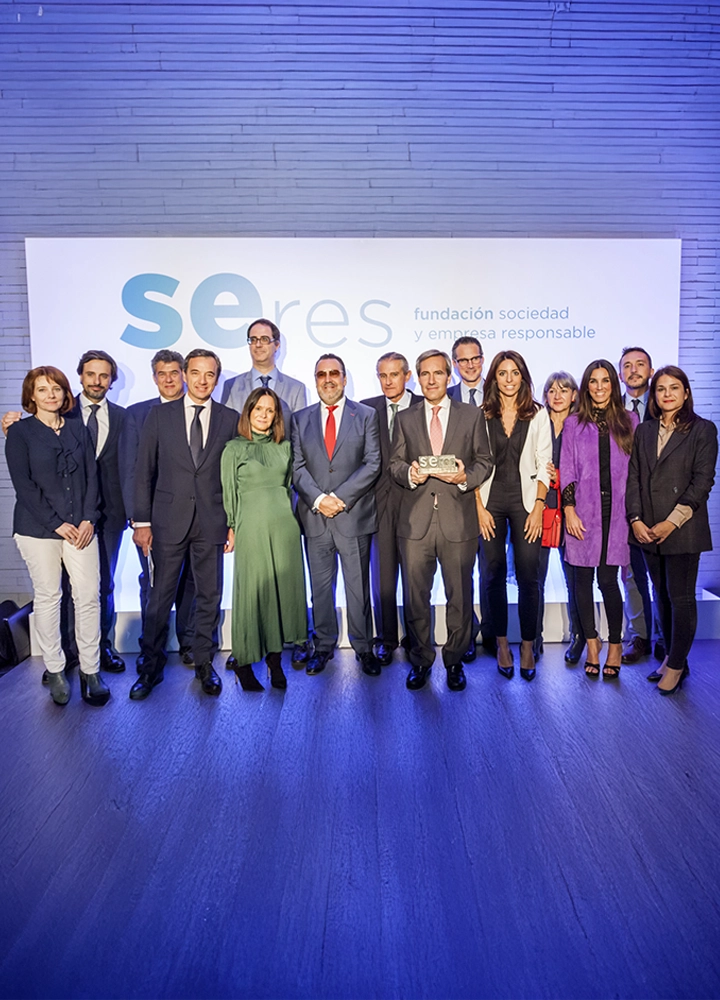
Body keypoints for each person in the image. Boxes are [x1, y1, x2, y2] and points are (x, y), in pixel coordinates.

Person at [2, 350, 128, 680]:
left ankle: (92, 665)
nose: (51, 394)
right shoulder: (23, 430)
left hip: (88, 521)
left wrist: (88, 518)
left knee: (92, 593)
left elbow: (92, 476)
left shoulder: (87, 426)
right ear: (31, 395)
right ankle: (57, 665)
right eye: (42, 389)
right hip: (40, 527)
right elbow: (25, 486)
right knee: (50, 596)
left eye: (56, 388)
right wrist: (57, 524)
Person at [129, 349, 239, 700]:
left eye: (209, 374)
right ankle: (150, 667)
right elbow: (143, 472)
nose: (202, 380)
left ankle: (205, 665)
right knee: (159, 598)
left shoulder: (230, 418)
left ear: (217, 378)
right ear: (185, 375)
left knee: (209, 596)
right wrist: (142, 522)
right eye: (195, 373)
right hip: (166, 523)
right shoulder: (160, 416)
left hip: (212, 522)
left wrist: (233, 522)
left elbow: (234, 477)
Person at [389, 349, 492, 691]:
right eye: (425, 374)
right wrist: (410, 474)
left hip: (458, 519)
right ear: (417, 378)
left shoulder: (471, 415)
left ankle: (454, 660)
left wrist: (465, 478)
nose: (431, 380)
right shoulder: (405, 418)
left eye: (438, 373)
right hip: (415, 521)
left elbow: (484, 461)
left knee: (459, 596)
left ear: (450, 376)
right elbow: (394, 464)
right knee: (415, 597)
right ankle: (420, 660)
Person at [626, 366, 717, 695]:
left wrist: (671, 522)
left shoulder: (702, 430)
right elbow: (634, 477)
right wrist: (636, 519)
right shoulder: (645, 430)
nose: (667, 394)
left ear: (686, 392)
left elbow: (702, 482)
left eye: (674, 387)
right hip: (648, 528)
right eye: (661, 388)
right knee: (660, 595)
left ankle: (677, 665)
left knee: (681, 598)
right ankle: (670, 658)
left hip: (682, 527)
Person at [291, 354, 382, 677]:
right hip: (315, 517)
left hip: (352, 516)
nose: (328, 379)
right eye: (321, 374)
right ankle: (323, 645)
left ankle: (364, 648)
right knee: (320, 588)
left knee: (358, 589)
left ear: (344, 379)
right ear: (315, 380)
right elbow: (296, 467)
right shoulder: (299, 419)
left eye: (334, 373)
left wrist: (339, 499)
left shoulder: (366, 415)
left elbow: (372, 462)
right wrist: (319, 500)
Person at [221, 388, 308, 691]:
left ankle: (275, 661)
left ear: (276, 416)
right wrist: (232, 526)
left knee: (281, 593)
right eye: (258, 408)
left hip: (284, 528)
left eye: (270, 410)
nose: (263, 414)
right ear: (248, 411)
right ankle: (244, 663)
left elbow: (289, 486)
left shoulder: (285, 448)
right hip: (251, 527)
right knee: (252, 593)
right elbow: (229, 492)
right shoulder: (234, 449)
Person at [476, 350, 552, 681]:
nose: (509, 379)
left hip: (526, 503)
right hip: (489, 501)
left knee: (528, 575)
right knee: (493, 573)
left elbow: (545, 463)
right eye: (502, 373)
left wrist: (538, 507)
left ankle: (528, 646)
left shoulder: (538, 414)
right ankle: (502, 644)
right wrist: (478, 508)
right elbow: (474, 464)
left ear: (523, 377)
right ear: (494, 378)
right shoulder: (481, 414)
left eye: (515, 372)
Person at [560, 360, 638, 678]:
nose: (600, 387)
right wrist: (569, 509)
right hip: (583, 511)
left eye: (605, 380)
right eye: (593, 381)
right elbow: (567, 468)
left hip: (617, 514)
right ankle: (592, 643)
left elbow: (636, 471)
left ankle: (615, 645)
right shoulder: (573, 423)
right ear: (586, 386)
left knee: (608, 581)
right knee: (581, 581)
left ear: (613, 385)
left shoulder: (630, 421)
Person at [120, 349, 196, 670]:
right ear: (154, 378)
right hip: (153, 520)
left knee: (191, 582)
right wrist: (139, 520)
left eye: (174, 372)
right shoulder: (137, 414)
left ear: (183, 375)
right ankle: (152, 648)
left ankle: (190, 643)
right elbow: (131, 470)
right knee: (155, 584)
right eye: (162, 374)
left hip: (193, 517)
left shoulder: (197, 411)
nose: (168, 379)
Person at [360, 352, 420, 665]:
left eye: (394, 375)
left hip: (417, 502)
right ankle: (386, 638)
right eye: (382, 376)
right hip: (379, 503)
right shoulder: (366, 408)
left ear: (407, 376)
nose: (388, 381)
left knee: (415, 576)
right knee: (383, 576)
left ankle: (416, 637)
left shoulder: (425, 405)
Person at [448, 336, 495, 660]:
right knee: (460, 574)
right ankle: (465, 634)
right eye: (462, 360)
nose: (469, 365)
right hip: (456, 500)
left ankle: (492, 634)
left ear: (482, 359)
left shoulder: (501, 394)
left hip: (495, 497)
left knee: (491, 571)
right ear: (454, 364)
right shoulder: (444, 397)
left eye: (474, 358)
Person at [535, 372, 584, 663]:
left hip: (571, 510)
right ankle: (534, 637)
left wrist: (561, 475)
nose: (557, 396)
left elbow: (587, 470)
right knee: (535, 579)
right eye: (552, 390)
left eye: (563, 390)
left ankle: (579, 636)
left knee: (574, 580)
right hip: (540, 508)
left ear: (574, 395)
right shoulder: (537, 422)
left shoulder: (581, 426)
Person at [618, 346, 660, 665]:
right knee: (632, 575)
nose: (634, 370)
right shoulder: (611, 410)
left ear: (651, 370)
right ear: (620, 374)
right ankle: (641, 636)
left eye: (640, 364)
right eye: (627, 366)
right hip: (624, 508)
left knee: (665, 579)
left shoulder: (666, 405)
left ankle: (667, 639)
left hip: (662, 507)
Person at [221, 318, 307, 422]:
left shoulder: (296, 389)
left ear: (277, 345)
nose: (258, 345)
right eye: (253, 339)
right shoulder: (231, 386)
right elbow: (226, 425)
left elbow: (299, 428)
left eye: (264, 339)